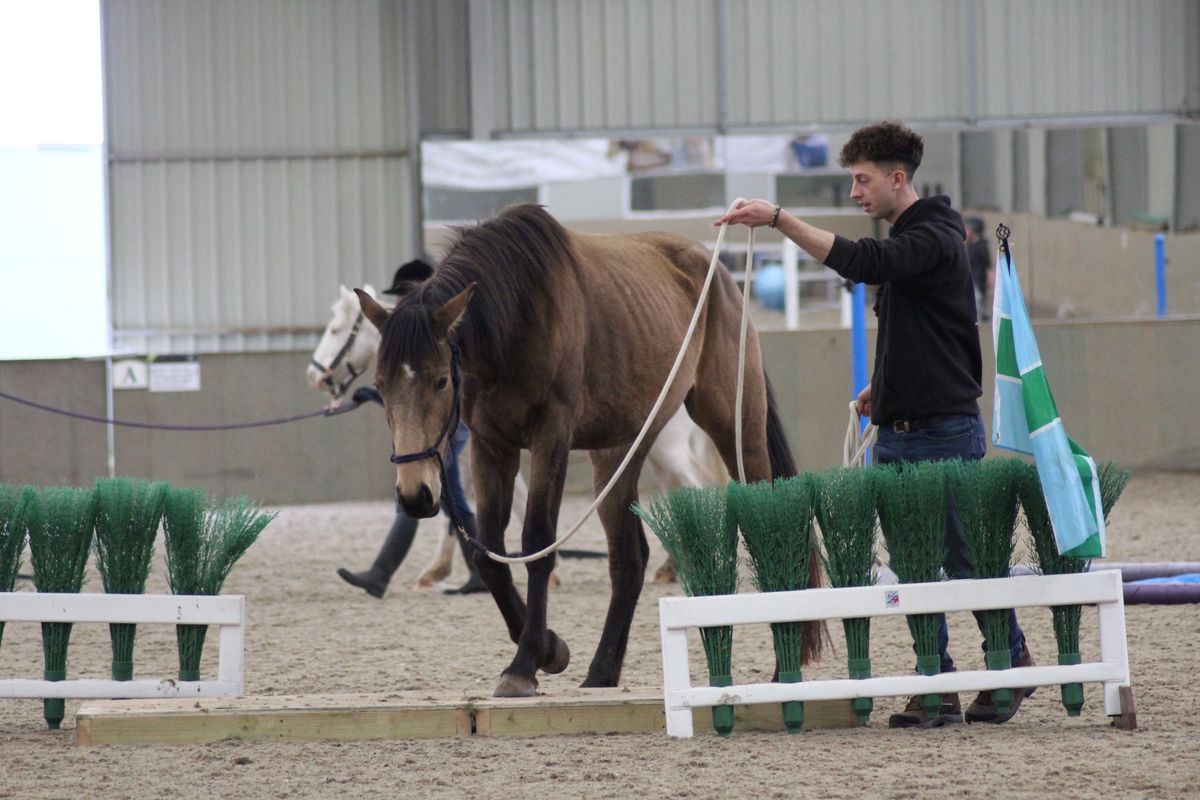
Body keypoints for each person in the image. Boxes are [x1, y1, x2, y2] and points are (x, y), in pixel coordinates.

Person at [716, 120, 1033, 728]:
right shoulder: (921, 238)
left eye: (862, 180)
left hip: (942, 431)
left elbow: (864, 262)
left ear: (896, 178)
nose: (856, 193)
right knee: (917, 563)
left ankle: (1010, 662)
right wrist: (882, 388)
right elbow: (922, 329)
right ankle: (935, 681)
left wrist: (779, 219)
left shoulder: (935, 235)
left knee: (964, 558)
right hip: (902, 431)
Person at [337, 260, 486, 597]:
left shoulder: (435, 332)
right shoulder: (408, 336)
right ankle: (476, 571)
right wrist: (370, 395)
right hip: (429, 423)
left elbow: (425, 391)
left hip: (446, 424)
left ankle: (382, 572)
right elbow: (407, 395)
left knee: (449, 496)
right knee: (447, 497)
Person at [965, 216, 993, 321]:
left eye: (969, 228)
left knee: (978, 303)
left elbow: (988, 264)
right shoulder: (969, 245)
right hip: (970, 280)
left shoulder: (981, 246)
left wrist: (990, 279)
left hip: (978, 280)